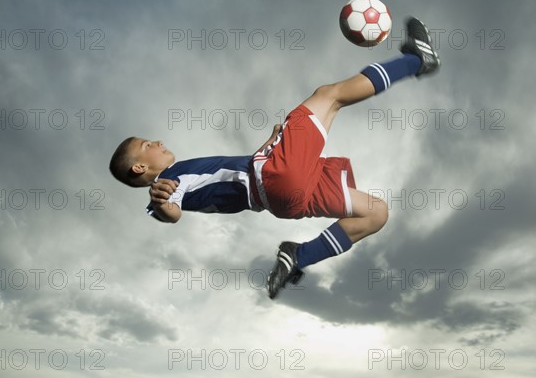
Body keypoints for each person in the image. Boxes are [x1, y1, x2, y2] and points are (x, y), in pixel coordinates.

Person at [109, 17, 440, 299]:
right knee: (330, 96)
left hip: (283, 200)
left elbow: (227, 180)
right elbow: (172, 212)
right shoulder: (173, 180)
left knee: (374, 213)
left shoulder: (184, 179)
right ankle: (416, 61)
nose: (157, 141)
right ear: (140, 166)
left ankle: (298, 256)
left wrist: (268, 146)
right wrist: (164, 201)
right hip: (276, 177)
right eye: (147, 144)